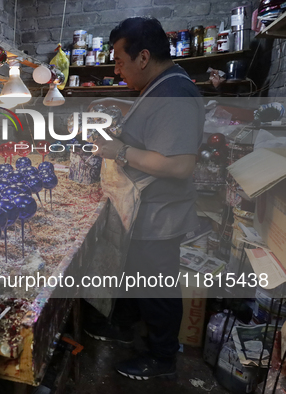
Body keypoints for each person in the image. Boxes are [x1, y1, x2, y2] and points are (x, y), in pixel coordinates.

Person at [87, 17, 204, 380]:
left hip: (160, 213)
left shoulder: (174, 93)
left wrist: (120, 151)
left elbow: (180, 164)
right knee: (136, 274)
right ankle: (123, 326)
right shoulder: (160, 86)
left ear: (143, 56)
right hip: (144, 209)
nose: (116, 68)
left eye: (120, 61)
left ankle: (162, 357)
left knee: (156, 286)